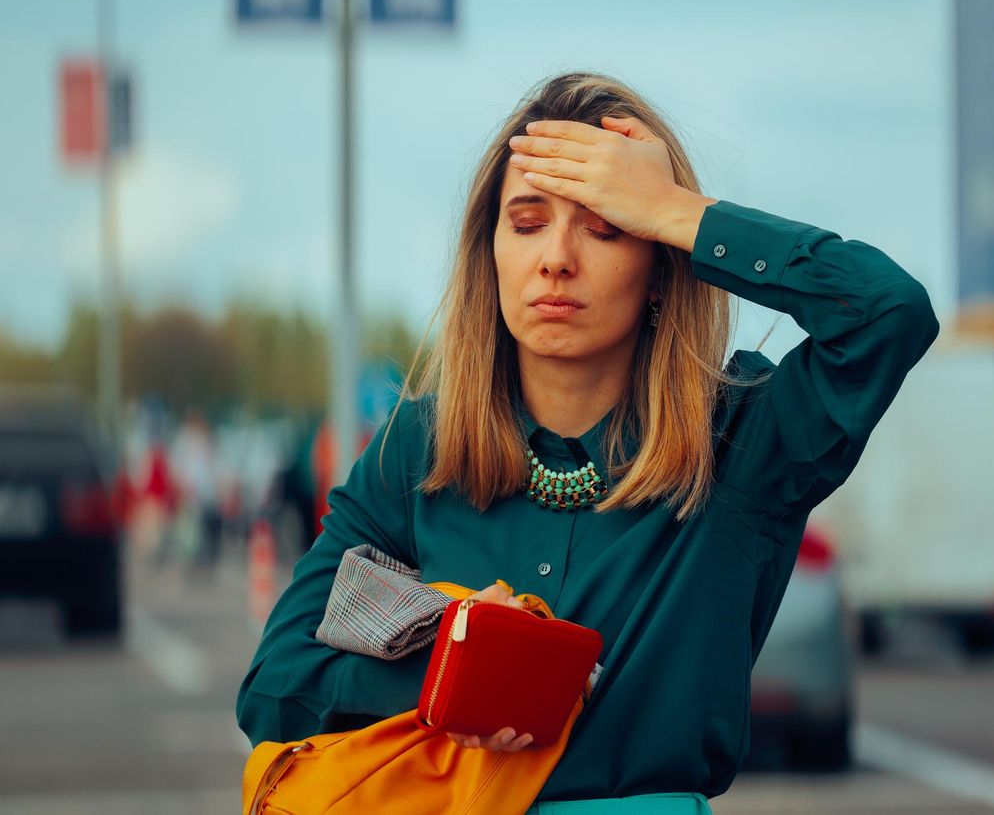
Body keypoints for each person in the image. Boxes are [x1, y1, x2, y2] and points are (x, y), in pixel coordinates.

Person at [236, 71, 940, 810]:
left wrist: (682, 212)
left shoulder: (739, 442)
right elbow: (275, 686)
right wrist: (453, 672)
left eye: (607, 225)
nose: (557, 259)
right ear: (493, 252)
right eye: (529, 221)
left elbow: (888, 313)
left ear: (663, 266)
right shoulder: (417, 447)